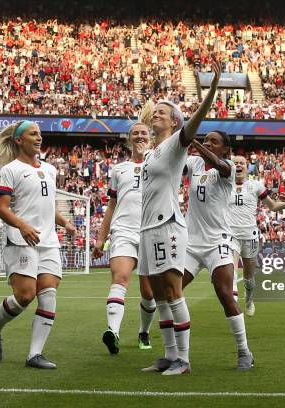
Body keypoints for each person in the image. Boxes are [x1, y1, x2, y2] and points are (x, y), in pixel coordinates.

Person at [139, 61, 222, 376]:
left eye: (163, 112)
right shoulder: (151, 153)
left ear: (175, 121)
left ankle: (184, 361)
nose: (156, 114)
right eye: (154, 111)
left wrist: (211, 90)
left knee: (173, 290)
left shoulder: (176, 145)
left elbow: (196, 121)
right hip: (147, 228)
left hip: (166, 225)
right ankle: (168, 355)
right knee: (158, 294)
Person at [0, 120, 76, 369]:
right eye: (33, 134)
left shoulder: (49, 169)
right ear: (19, 140)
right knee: (25, 296)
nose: (39, 138)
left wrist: (65, 222)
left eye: (40, 134)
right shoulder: (10, 170)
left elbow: (47, 204)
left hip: (48, 241)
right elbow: (2, 209)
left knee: (48, 294)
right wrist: (22, 226)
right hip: (21, 240)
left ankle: (34, 355)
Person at [181, 132, 253, 370]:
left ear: (225, 149)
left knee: (224, 293)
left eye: (214, 141)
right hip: (191, 244)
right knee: (170, 292)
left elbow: (218, 163)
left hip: (218, 242)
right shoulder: (193, 163)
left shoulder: (228, 167)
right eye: (205, 139)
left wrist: (192, 141)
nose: (208, 143)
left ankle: (244, 351)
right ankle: (177, 355)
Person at [93, 108, 156, 354]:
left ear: (150, 137)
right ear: (129, 139)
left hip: (151, 230)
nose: (139, 136)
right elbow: (111, 205)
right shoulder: (119, 169)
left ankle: (143, 332)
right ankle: (113, 332)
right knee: (119, 278)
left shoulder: (158, 161)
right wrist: (101, 237)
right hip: (123, 230)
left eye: (143, 133)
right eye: (135, 134)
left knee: (148, 292)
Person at [227, 155, 285, 315]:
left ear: (247, 167)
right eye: (235, 163)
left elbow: (272, 206)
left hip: (250, 237)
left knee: (249, 279)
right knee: (230, 272)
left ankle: (249, 299)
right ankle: (234, 309)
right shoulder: (225, 184)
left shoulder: (255, 185)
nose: (238, 165)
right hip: (230, 236)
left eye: (241, 163)